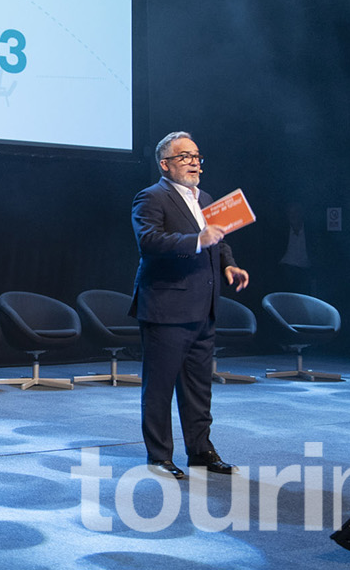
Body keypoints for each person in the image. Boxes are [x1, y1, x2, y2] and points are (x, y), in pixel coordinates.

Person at [130, 130, 248, 479]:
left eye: (196, 155)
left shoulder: (206, 198)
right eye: (184, 156)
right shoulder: (150, 197)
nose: (194, 161)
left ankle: (200, 451)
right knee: (160, 386)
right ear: (165, 165)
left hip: (203, 306)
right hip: (166, 307)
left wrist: (229, 263)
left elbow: (217, 240)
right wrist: (197, 239)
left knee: (199, 386)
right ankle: (159, 456)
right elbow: (149, 241)